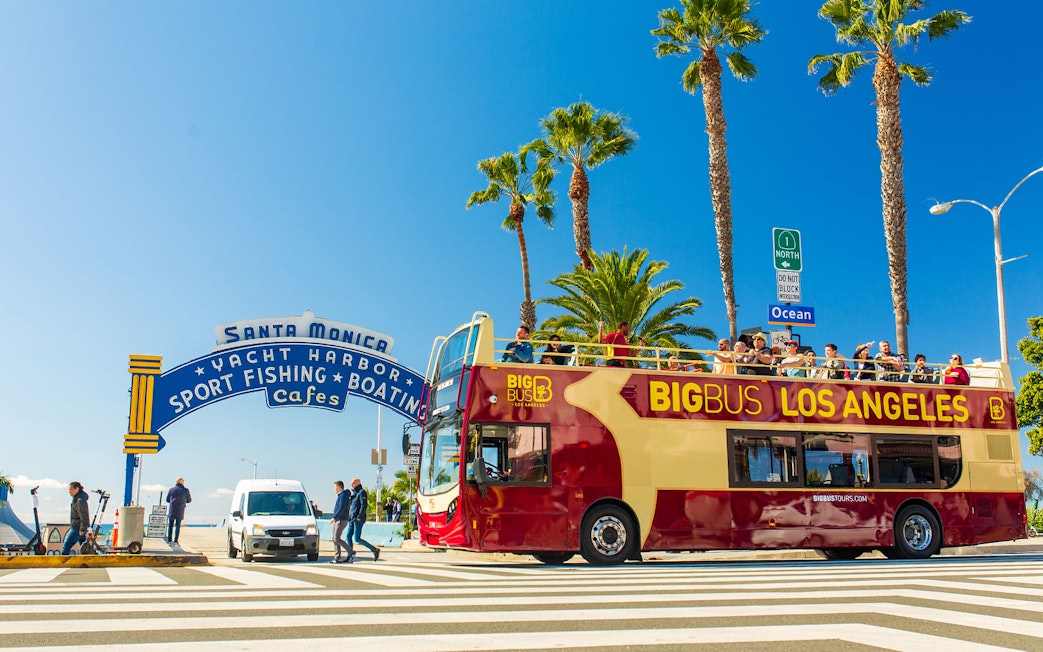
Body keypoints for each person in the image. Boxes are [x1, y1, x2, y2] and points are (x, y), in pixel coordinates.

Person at [346, 478, 380, 562]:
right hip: (351, 518)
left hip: (358, 519)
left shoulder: (362, 492)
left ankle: (374, 550)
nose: (352, 485)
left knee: (357, 539)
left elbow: (363, 505)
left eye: (353, 483)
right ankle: (350, 554)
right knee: (348, 536)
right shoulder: (354, 494)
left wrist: (359, 516)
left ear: (357, 483)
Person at [61, 481, 90, 555]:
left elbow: (84, 515)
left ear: (77, 489)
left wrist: (82, 529)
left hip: (77, 527)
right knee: (84, 548)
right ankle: (86, 562)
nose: (69, 491)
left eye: (71, 489)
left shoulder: (80, 500)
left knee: (66, 546)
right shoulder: (77, 498)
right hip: (78, 526)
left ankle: (63, 564)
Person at [328, 480, 352, 563]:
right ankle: (337, 557)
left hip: (341, 519)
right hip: (338, 519)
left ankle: (351, 552)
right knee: (334, 539)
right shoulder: (341, 495)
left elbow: (341, 508)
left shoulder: (343, 496)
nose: (334, 489)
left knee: (336, 538)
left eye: (335, 487)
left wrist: (334, 517)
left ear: (338, 487)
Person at [166, 477, 192, 544]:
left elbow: (167, 500)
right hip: (180, 509)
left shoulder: (171, 489)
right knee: (178, 525)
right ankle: (175, 541)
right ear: (182, 482)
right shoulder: (185, 490)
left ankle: (169, 540)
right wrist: (183, 500)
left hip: (172, 508)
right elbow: (189, 500)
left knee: (170, 525)